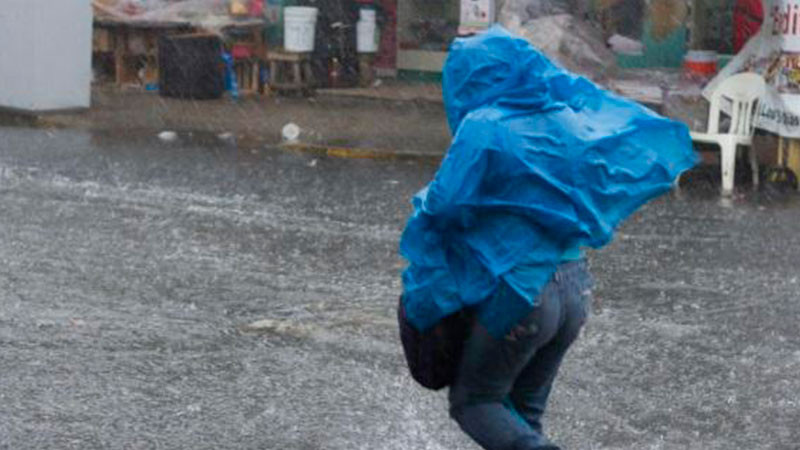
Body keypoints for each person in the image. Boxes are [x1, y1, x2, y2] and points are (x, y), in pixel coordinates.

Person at [399, 26, 696, 449]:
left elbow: (444, 206)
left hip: (521, 293)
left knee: (476, 402)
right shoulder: (565, 118)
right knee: (522, 416)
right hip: (573, 289)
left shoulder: (485, 125)